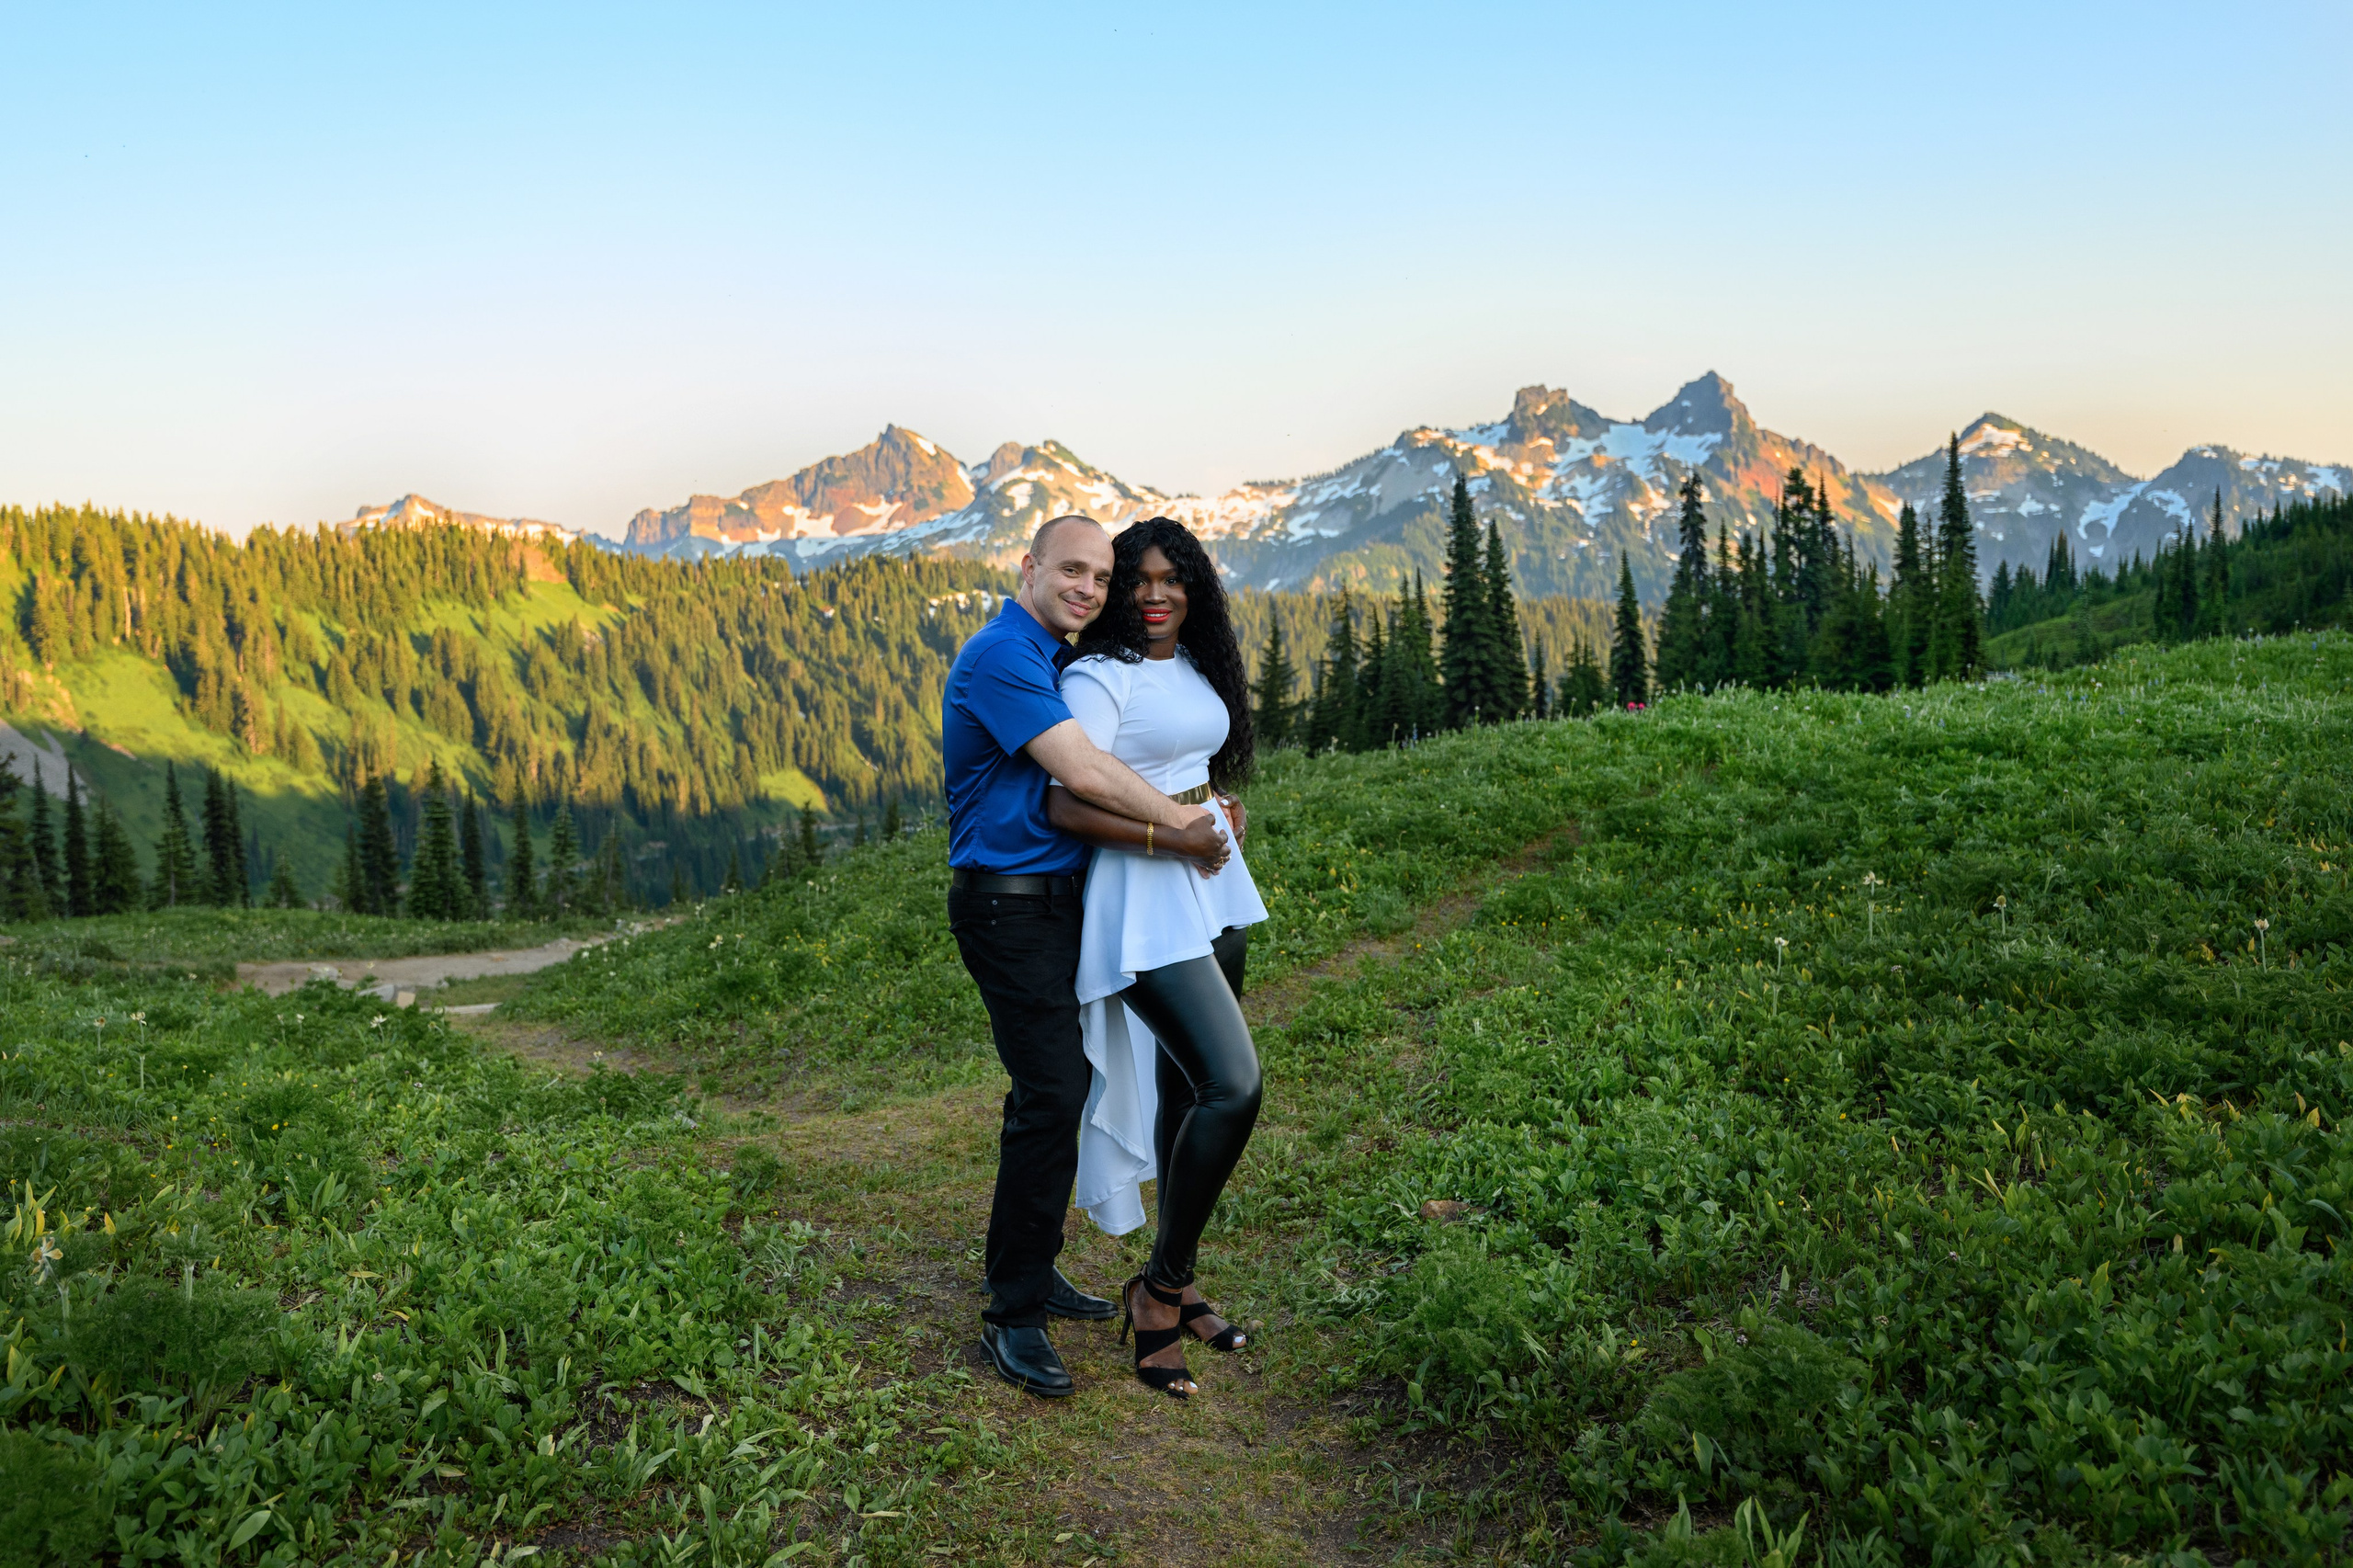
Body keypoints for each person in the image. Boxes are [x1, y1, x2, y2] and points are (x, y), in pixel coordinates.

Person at [941, 513, 1231, 1398]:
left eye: (1099, 580)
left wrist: (1199, 798)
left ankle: (1026, 1269)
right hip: (1008, 904)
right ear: (1028, 568)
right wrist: (1184, 824)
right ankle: (1012, 1316)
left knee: (1054, 1088)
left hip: (1059, 902)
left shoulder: (1049, 655)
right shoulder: (1004, 655)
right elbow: (1084, 771)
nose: (1089, 591)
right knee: (1056, 1089)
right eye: (1072, 571)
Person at [1047, 516, 1267, 1399]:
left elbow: (1185, 756)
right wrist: (1174, 837)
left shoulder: (1196, 665)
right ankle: (1158, 1293)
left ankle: (1172, 1276)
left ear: (1195, 589)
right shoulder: (1101, 677)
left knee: (1189, 1091)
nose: (1153, 595)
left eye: (1172, 579)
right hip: (1143, 897)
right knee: (1234, 1084)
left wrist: (1214, 805)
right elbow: (1065, 804)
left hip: (1213, 884)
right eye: (1134, 580)